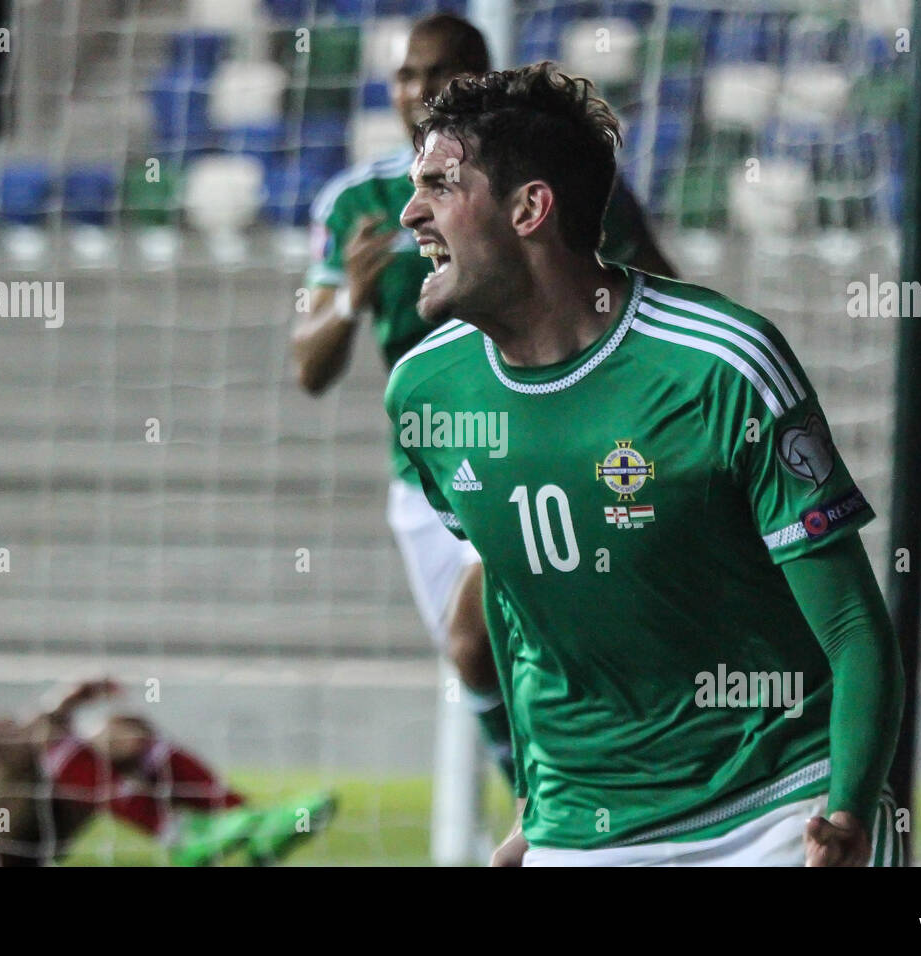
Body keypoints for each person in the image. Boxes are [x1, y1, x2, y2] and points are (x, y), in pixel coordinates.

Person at [385, 63, 904, 866]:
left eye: (440, 186)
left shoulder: (722, 364)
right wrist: (536, 802)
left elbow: (851, 626)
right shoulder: (426, 393)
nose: (410, 211)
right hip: (583, 827)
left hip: (776, 810)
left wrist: (849, 812)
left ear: (529, 208)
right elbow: (517, 608)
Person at [292, 14, 674, 786]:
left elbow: (660, 290)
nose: (420, 91)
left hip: (550, 443)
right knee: (481, 659)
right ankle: (551, 810)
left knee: (494, 638)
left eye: (440, 73)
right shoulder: (357, 205)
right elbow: (309, 367)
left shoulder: (549, 183)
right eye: (405, 75)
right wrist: (350, 303)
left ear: (479, 77)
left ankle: (580, 809)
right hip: (433, 472)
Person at [0, 573, 336, 866]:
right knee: (42, 744)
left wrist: (59, 703)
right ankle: (178, 834)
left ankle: (248, 823)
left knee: (122, 735)